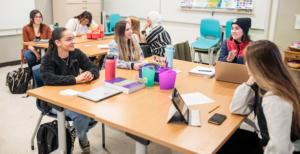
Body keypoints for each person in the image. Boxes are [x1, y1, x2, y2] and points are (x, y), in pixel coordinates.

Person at [217, 40, 300, 154]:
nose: (246, 64)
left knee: (222, 148)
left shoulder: (273, 98)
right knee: (223, 139)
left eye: (248, 61)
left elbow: (281, 149)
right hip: (266, 139)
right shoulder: (267, 83)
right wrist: (251, 79)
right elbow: (237, 108)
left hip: (280, 148)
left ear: (258, 66)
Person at [40, 27, 100, 152]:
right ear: (57, 42)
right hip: (53, 101)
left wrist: (90, 74)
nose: (73, 41)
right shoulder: (48, 58)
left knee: (98, 111)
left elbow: (93, 67)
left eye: (73, 38)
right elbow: (48, 79)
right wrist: (75, 79)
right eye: (68, 39)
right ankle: (83, 139)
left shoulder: (76, 53)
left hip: (74, 97)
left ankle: (75, 131)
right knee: (82, 117)